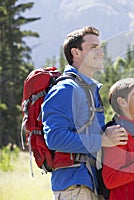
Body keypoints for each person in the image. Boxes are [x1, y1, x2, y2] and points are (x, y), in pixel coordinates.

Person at [42, 26, 128, 200]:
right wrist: (102, 140)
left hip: (91, 184)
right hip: (74, 187)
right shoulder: (65, 89)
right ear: (76, 52)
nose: (101, 52)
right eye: (93, 47)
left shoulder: (88, 89)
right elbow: (54, 138)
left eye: (100, 47)